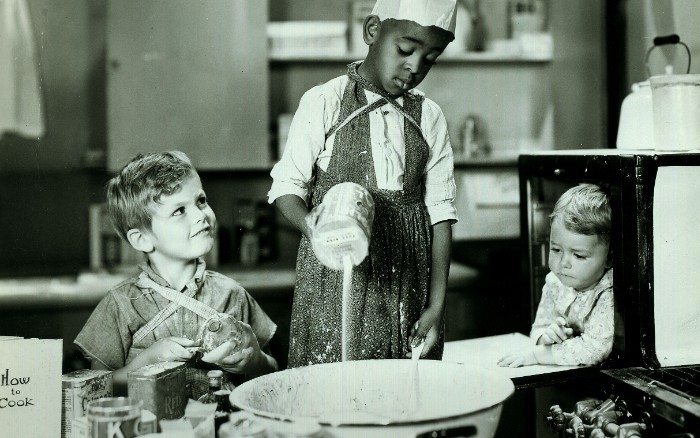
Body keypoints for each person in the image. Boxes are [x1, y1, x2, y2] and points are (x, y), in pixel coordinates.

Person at [268, 0, 458, 367]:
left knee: (403, 395)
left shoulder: (430, 116)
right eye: (405, 49)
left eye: (430, 58)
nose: (415, 67)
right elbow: (286, 187)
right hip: (335, 279)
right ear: (372, 30)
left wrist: (436, 305)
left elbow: (441, 214)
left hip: (408, 283)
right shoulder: (325, 101)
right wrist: (315, 228)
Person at [75, 151, 278, 398]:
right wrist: (148, 360)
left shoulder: (233, 295)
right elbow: (96, 389)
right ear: (142, 239)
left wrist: (255, 360)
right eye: (179, 211)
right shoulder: (120, 304)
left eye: (201, 201)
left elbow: (276, 377)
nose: (200, 215)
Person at [499, 183, 614, 367]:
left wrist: (538, 355)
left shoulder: (609, 293)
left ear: (609, 258)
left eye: (578, 255)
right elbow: (538, 328)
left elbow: (595, 349)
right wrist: (546, 337)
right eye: (556, 249)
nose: (563, 263)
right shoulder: (555, 281)